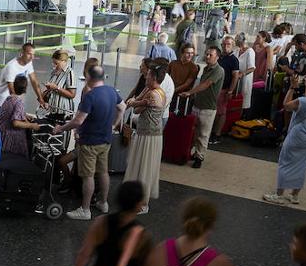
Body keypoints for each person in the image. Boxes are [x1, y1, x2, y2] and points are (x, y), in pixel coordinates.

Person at [53, 65, 120, 220]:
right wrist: (114, 125)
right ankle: (103, 203)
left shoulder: (90, 96)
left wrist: (61, 128)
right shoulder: (111, 91)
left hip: (90, 142)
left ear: (89, 78)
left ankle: (85, 210)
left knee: (88, 176)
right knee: (103, 172)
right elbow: (122, 108)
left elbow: (78, 121)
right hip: (106, 140)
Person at [263, 74, 306, 206]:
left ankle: (279, 195)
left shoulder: (303, 101)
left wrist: (292, 87)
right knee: (303, 165)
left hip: (297, 135)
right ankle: (295, 195)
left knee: (285, 163)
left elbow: (286, 106)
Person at [123, 66, 167, 214]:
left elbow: (134, 106)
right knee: (140, 165)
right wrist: (135, 102)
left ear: (154, 78)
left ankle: (143, 203)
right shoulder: (149, 90)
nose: (145, 77)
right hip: (144, 134)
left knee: (145, 168)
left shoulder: (154, 95)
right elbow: (136, 105)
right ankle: (136, 198)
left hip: (150, 137)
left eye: (148, 75)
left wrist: (133, 102)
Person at [176, 47, 224, 169]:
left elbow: (206, 84)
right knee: (195, 132)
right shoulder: (206, 68)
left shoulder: (219, 70)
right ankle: (193, 153)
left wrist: (190, 92)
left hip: (208, 107)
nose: (207, 56)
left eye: (210, 55)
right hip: (197, 104)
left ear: (217, 57)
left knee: (203, 134)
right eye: (206, 54)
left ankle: (199, 157)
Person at [0, 42, 45, 117]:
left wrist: (41, 99)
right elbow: (12, 91)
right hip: (0, 104)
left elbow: (34, 81)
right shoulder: (12, 66)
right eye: (29, 54)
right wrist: (20, 110)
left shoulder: (28, 63)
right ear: (22, 53)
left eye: (33, 54)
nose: (32, 57)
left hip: (12, 103)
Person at [0, 75, 39, 159]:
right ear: (25, 89)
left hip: (1, 134)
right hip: (10, 138)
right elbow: (15, 123)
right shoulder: (19, 102)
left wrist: (24, 115)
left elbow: (10, 111)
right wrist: (32, 125)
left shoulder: (9, 99)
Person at [211, 36, 242, 142]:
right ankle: (213, 132)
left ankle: (217, 133)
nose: (225, 46)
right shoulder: (219, 57)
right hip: (214, 89)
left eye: (228, 44)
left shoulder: (234, 60)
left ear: (233, 45)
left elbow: (235, 76)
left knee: (221, 112)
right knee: (214, 111)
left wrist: (230, 91)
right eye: (224, 44)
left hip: (224, 89)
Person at [42, 49, 78, 119]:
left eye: (56, 63)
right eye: (53, 63)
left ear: (64, 62)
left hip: (63, 113)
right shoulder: (54, 72)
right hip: (53, 110)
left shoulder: (69, 73)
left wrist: (56, 88)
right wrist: (46, 100)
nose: (54, 65)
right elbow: (51, 90)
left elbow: (72, 94)